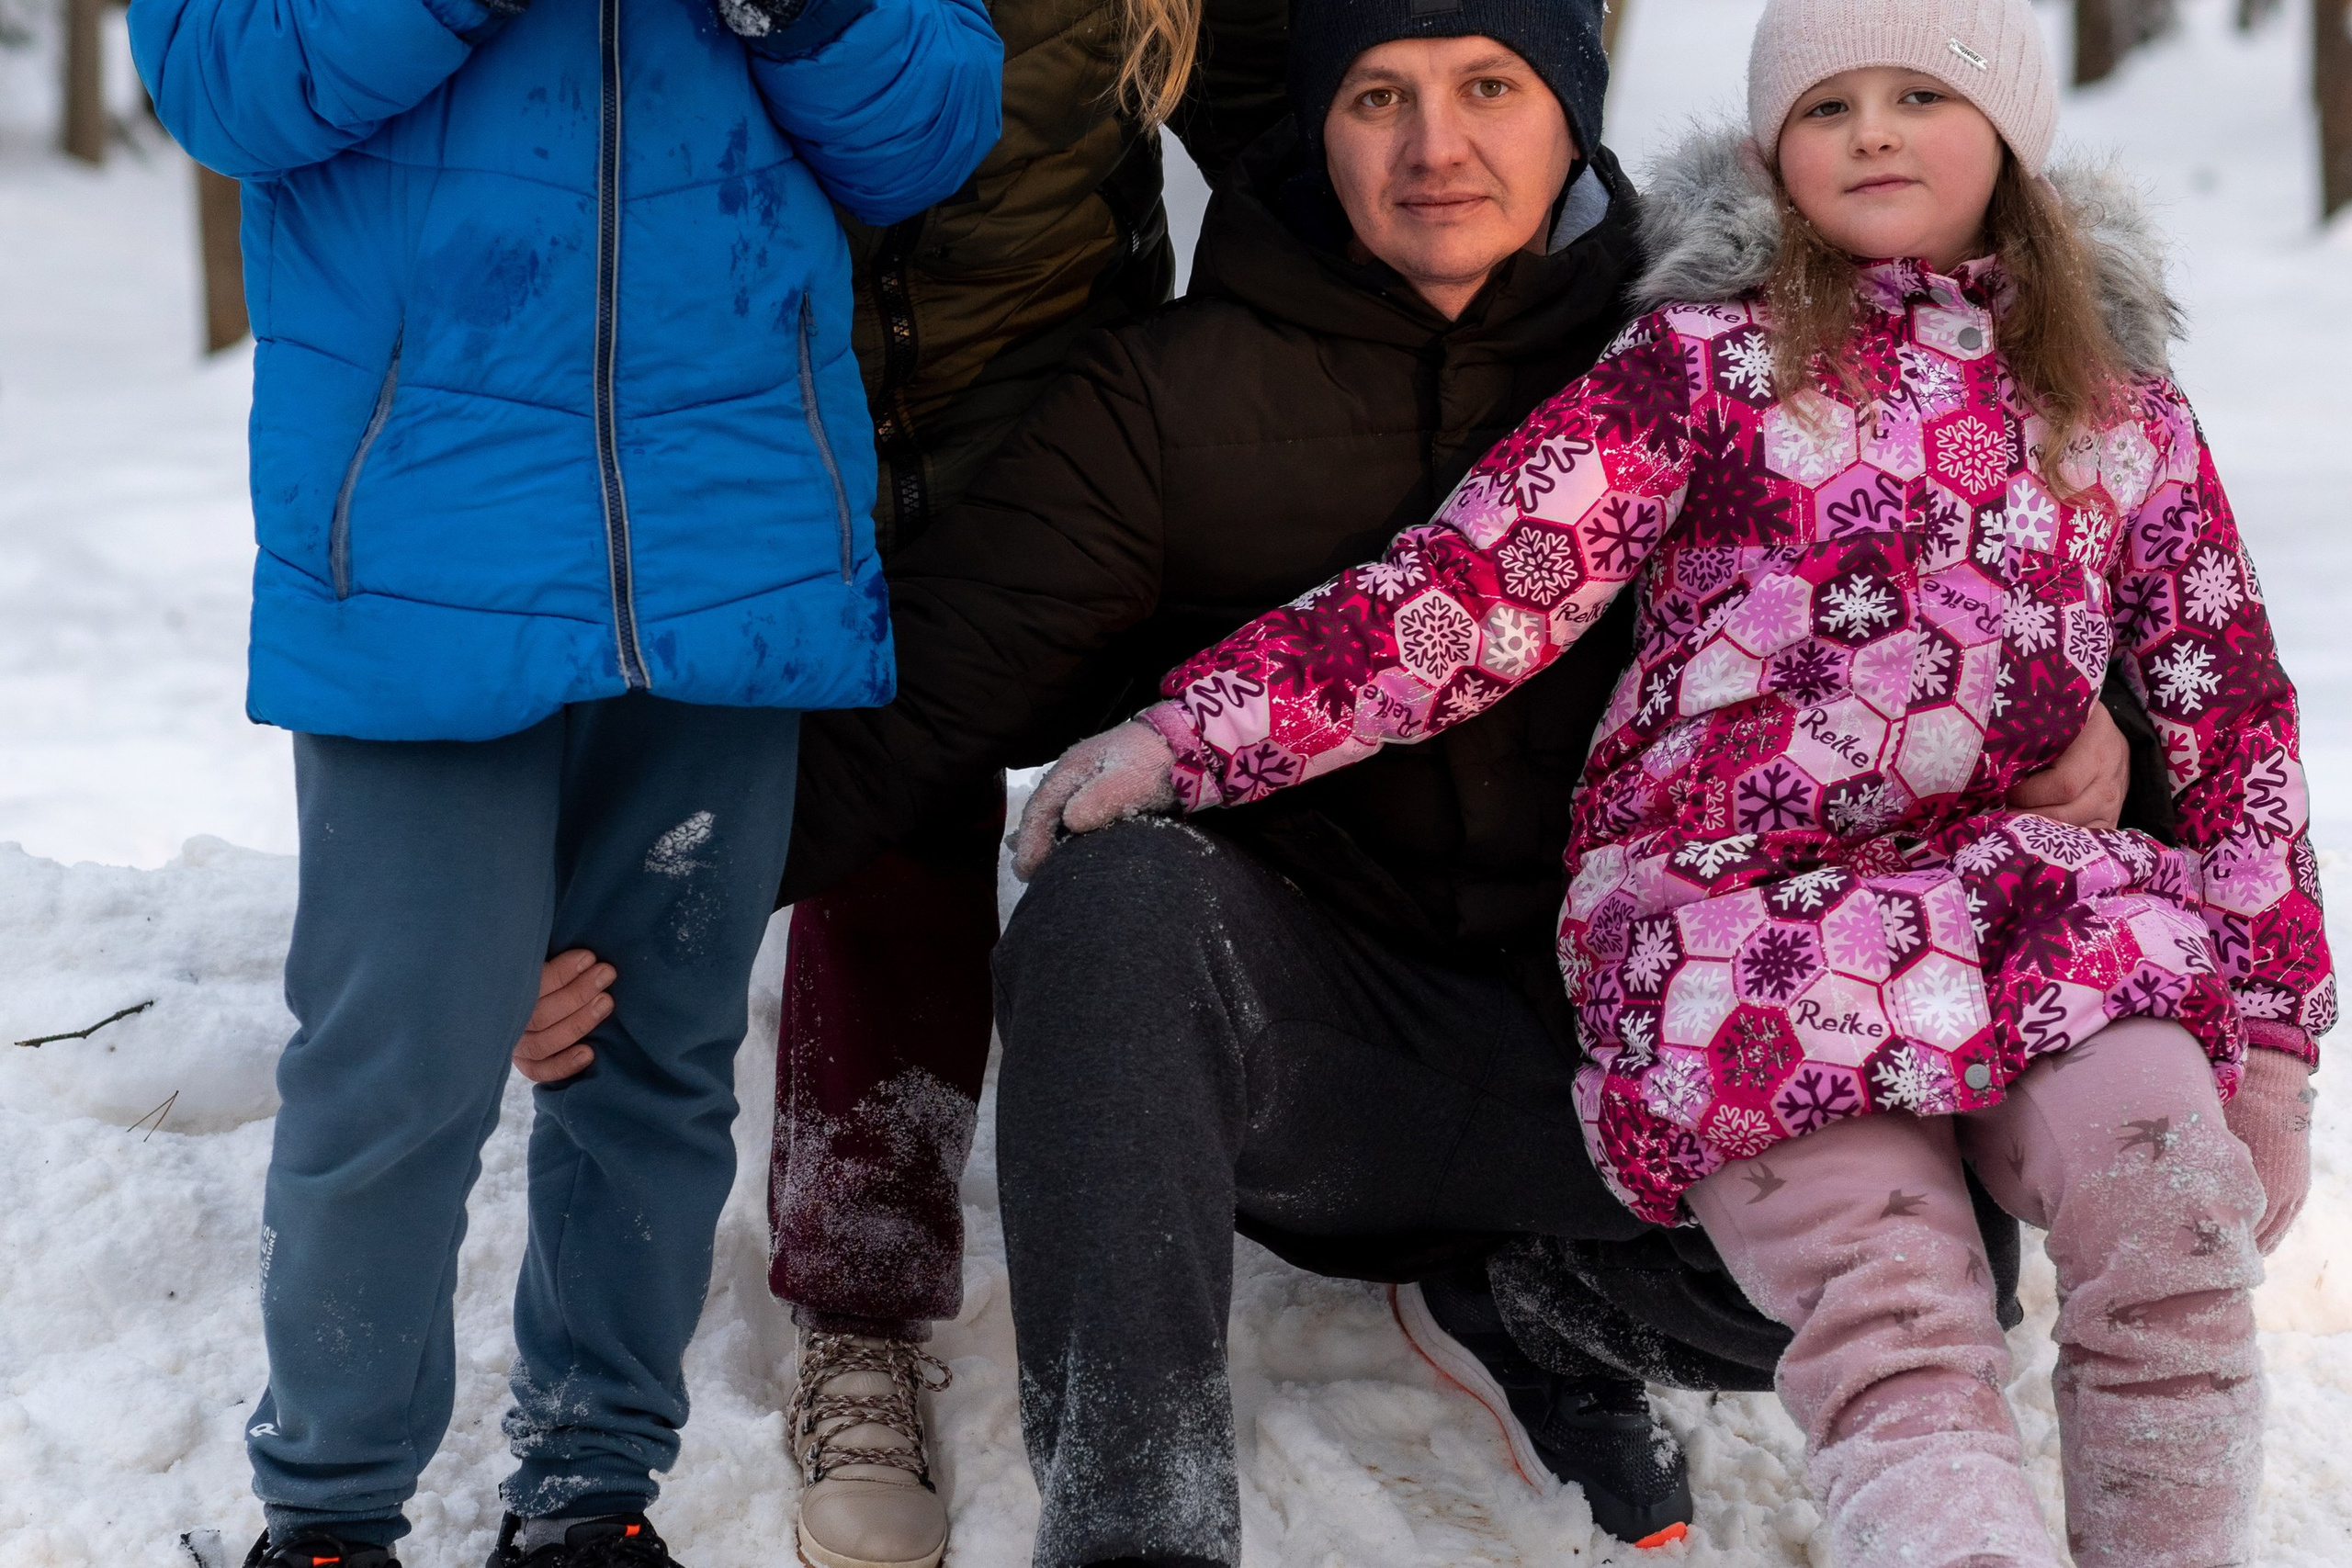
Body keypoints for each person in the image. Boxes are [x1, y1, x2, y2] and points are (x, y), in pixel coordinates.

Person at [1020, 1, 2332, 1562]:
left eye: (1922, 95)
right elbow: (1473, 591)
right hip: (1753, 927)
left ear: (2013, 138)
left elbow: (2229, 710)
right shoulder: (1704, 362)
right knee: (1899, 1315)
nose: (1874, 132)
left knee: (2177, 1231)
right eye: (1827, 106)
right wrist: (1192, 732)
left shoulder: (2121, 406)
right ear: (1774, 150)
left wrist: (2272, 1041)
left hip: (2046, 913)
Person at [127, 0, 1001, 1562]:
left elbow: (929, 134)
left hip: (730, 545)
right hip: (422, 544)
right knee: (399, 1064)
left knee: (652, 1057)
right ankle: (327, 1513)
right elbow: (225, 86)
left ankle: (593, 1497)